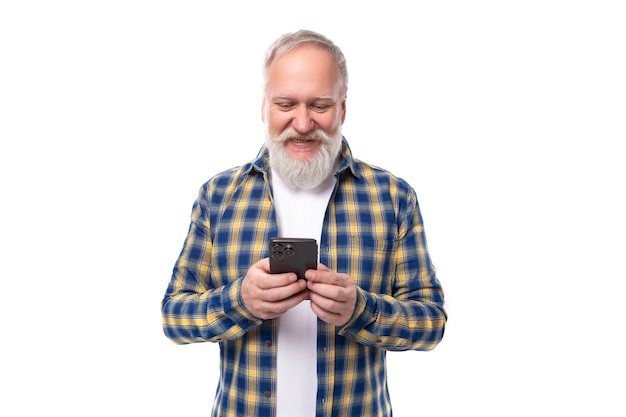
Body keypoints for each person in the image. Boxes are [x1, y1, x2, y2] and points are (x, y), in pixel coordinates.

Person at [161, 29, 447, 417]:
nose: (301, 122)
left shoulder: (393, 197)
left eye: (319, 104)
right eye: (285, 103)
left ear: (342, 109)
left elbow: (431, 323)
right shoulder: (218, 195)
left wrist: (360, 310)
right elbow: (174, 316)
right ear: (264, 108)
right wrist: (239, 301)